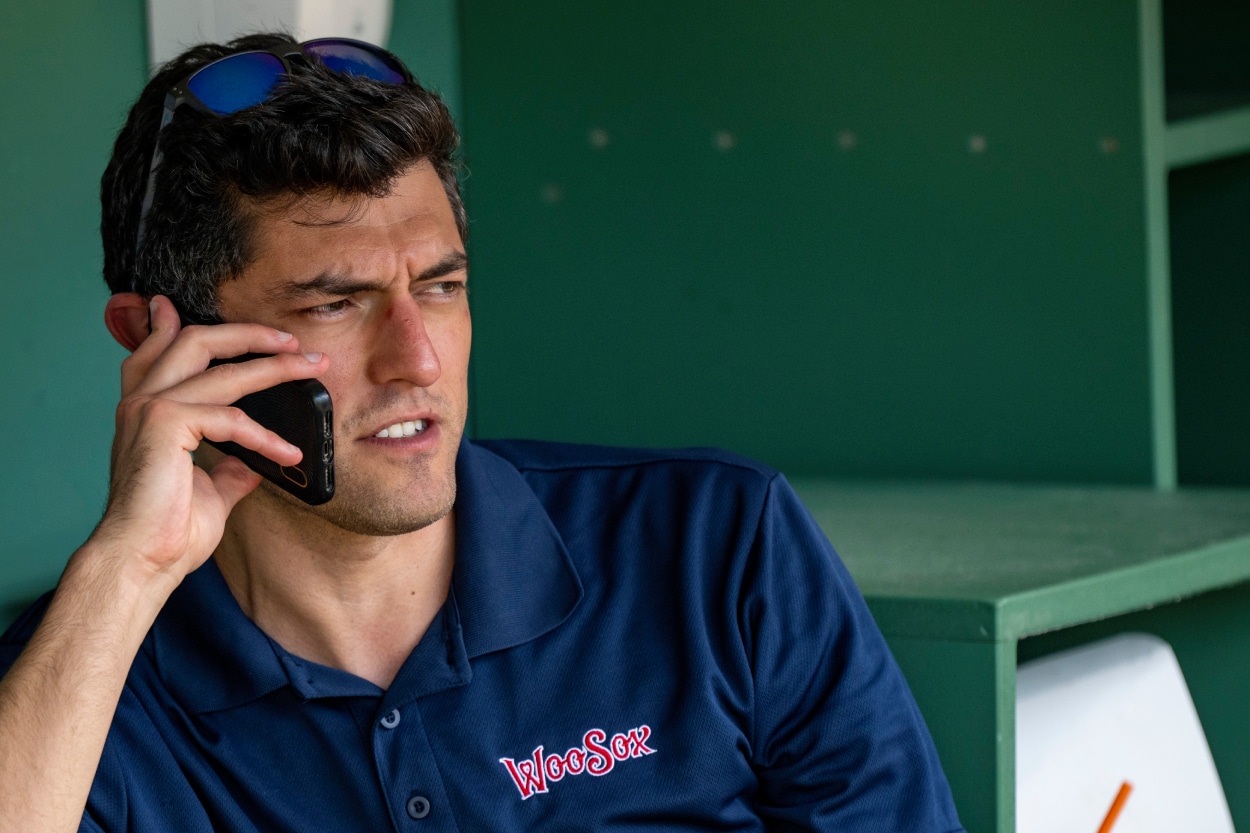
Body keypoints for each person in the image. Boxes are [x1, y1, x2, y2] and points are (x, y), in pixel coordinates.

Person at [0, 33, 964, 833]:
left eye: (441, 286)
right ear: (163, 341)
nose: (417, 357)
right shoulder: (86, 680)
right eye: (337, 303)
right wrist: (127, 571)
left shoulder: (716, 546)